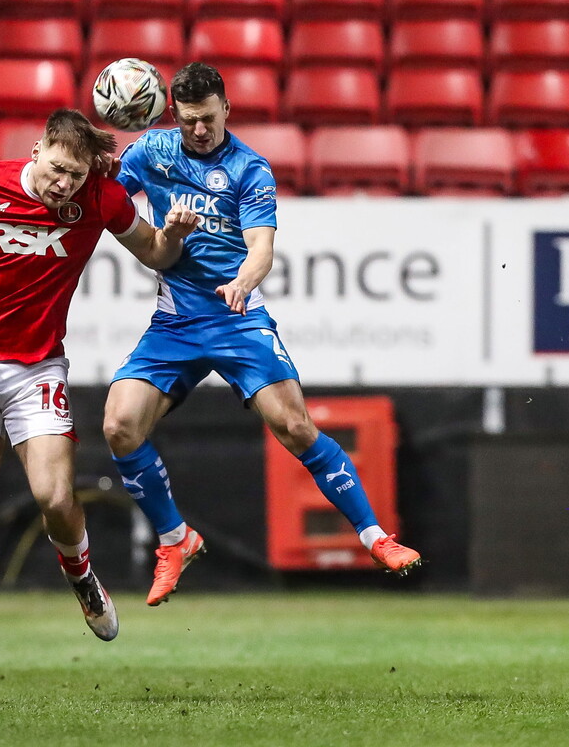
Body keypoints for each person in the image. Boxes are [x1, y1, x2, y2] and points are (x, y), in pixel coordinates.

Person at [102, 62, 423, 608]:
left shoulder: (250, 168)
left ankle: (376, 538)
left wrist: (241, 283)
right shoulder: (151, 152)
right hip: (175, 321)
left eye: (207, 119)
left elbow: (262, 250)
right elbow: (105, 200)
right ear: (172, 114)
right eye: (187, 122)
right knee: (118, 426)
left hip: (238, 317)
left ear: (226, 108)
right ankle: (175, 540)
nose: (198, 131)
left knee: (296, 426)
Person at [0, 108, 197, 705]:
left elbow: (154, 252)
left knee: (53, 497)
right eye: (57, 170)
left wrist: (172, 233)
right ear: (37, 149)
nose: (63, 184)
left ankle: (82, 576)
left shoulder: (100, 198)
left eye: (75, 175)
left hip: (37, 370)